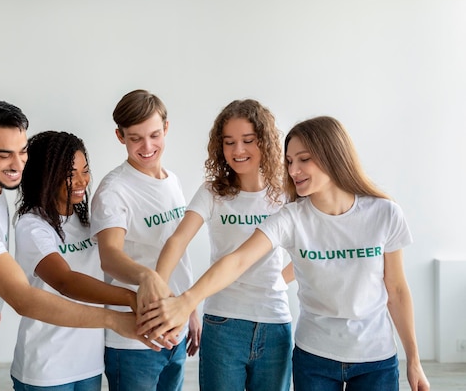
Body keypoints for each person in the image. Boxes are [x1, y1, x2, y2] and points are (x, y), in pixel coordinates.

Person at [138, 116, 430, 391]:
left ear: (333, 155)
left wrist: (414, 359)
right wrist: (187, 300)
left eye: (304, 160)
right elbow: (238, 260)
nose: (293, 170)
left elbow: (397, 290)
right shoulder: (291, 217)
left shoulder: (384, 213)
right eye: (290, 161)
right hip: (315, 356)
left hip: (375, 358)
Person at [0, 100, 159, 391]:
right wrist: (118, 316)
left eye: (22, 151)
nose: (18, 163)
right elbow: (26, 297)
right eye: (4, 154)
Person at [137, 99, 293, 391]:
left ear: (266, 142)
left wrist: (279, 282)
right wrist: (158, 287)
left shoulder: (285, 194)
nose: (238, 151)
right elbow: (178, 240)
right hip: (224, 323)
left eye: (248, 141)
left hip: (274, 322)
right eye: (229, 142)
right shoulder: (213, 192)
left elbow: (312, 249)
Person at [90, 89, 201, 391]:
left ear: (166, 128)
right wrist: (146, 277)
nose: (147, 146)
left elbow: (179, 251)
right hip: (135, 339)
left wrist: (189, 310)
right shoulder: (114, 189)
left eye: (154, 135)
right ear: (120, 136)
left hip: (174, 329)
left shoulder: (173, 181)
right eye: (135, 138)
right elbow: (109, 255)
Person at [11, 130, 139, 390]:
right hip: (46, 369)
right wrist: (129, 298)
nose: (81, 181)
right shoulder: (32, 226)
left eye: (85, 170)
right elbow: (65, 281)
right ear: (46, 175)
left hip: (88, 364)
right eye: (70, 174)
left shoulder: (87, 221)